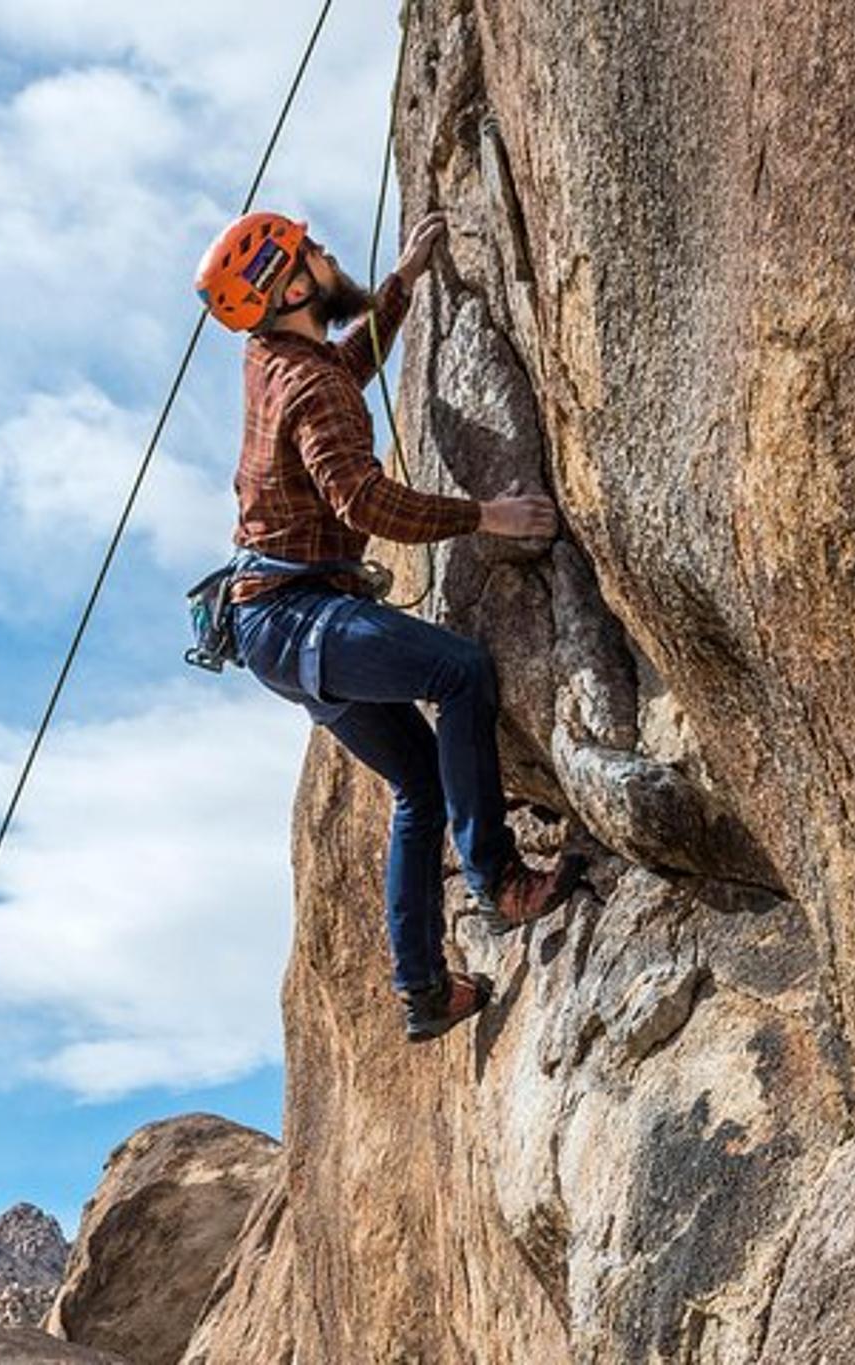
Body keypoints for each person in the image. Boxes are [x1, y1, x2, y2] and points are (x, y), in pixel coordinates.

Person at [193, 209, 585, 1043]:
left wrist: (403, 281)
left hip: (275, 625)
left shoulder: (274, 356)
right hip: (301, 617)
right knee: (461, 671)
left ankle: (423, 988)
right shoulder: (308, 383)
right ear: (293, 287)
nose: (328, 253)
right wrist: (490, 515)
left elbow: (342, 369)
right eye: (312, 253)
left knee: (419, 783)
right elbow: (363, 499)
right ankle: (497, 874)